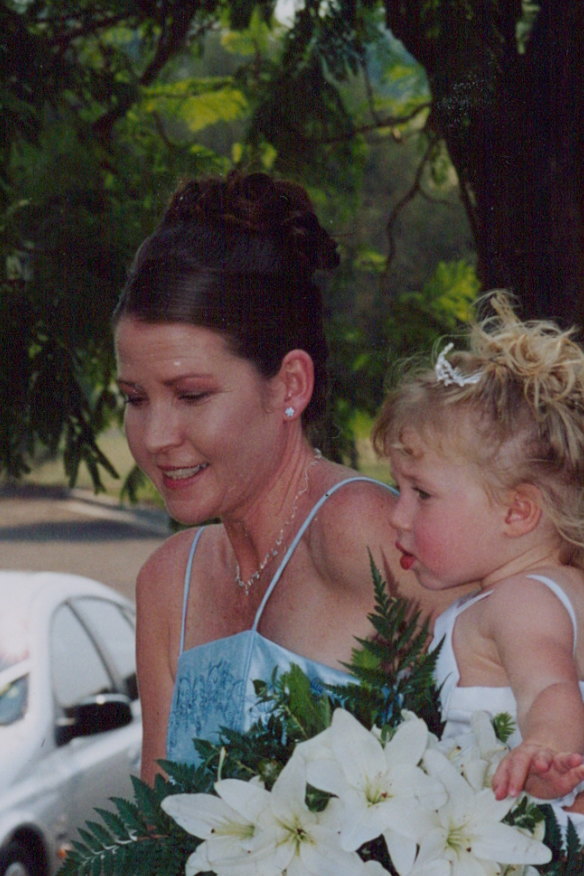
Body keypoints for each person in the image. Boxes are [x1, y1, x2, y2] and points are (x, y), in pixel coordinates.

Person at [113, 170, 456, 785]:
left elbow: (534, 720)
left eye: (191, 396)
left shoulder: (371, 534)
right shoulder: (168, 582)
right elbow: (156, 829)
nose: (156, 436)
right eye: (135, 398)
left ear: (291, 384)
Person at [372, 291, 584, 831]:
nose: (398, 516)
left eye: (422, 493)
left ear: (517, 512)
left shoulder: (521, 601)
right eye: (398, 489)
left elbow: (549, 689)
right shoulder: (556, 587)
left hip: (537, 830)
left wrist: (542, 750)